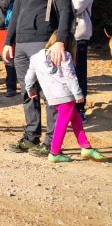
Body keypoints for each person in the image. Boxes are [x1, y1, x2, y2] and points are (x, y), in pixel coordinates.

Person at [3, 0, 74, 156]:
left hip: (43, 42)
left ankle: (50, 142)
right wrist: (8, 41)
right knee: (28, 91)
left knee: (49, 94)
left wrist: (60, 40)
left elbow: (66, 10)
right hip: (22, 43)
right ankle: (30, 137)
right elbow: (16, 14)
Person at [24, 32, 106, 163]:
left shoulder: (35, 57)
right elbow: (70, 77)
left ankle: (85, 146)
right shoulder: (65, 55)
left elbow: (29, 77)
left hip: (51, 97)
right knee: (62, 123)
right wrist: (78, 94)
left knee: (76, 118)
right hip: (66, 96)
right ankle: (55, 152)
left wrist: (30, 89)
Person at [60, 0, 93, 122]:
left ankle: (80, 109)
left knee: (79, 73)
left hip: (78, 36)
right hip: (62, 35)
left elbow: (75, 8)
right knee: (63, 73)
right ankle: (66, 107)